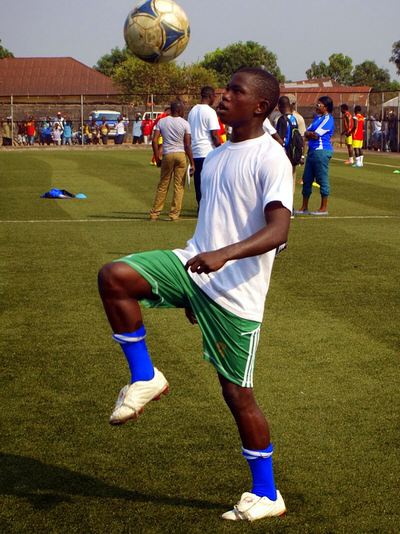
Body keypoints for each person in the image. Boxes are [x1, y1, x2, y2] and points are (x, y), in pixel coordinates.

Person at [98, 67, 292, 522]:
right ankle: (144, 376)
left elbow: (280, 230)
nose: (223, 98)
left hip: (236, 296)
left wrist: (224, 256)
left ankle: (266, 495)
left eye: (235, 92)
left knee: (237, 396)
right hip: (194, 267)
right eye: (224, 90)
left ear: (260, 106)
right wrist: (191, 291)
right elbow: (213, 224)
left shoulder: (271, 157)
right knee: (115, 277)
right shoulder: (220, 155)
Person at [149, 100, 195, 222]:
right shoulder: (185, 124)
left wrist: (157, 157)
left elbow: (154, 140)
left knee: (163, 185)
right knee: (179, 186)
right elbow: (188, 145)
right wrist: (192, 162)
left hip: (167, 154)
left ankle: (155, 213)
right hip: (180, 155)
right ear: (180, 110)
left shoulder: (162, 121)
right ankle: (174, 215)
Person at [295, 96, 334, 215]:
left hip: (321, 151)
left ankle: (323, 207)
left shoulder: (328, 119)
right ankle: (304, 207)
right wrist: (308, 133)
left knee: (322, 179)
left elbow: (315, 135)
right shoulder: (318, 118)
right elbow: (307, 132)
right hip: (312, 151)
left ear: (326, 107)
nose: (316, 107)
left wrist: (309, 134)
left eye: (319, 105)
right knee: (307, 179)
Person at [188, 86, 221, 208]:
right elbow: (214, 135)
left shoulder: (192, 111)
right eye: (214, 96)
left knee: (198, 183)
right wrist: (221, 149)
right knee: (210, 183)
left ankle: (200, 207)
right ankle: (209, 208)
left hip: (195, 151)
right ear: (210, 95)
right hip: (208, 152)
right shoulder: (210, 112)